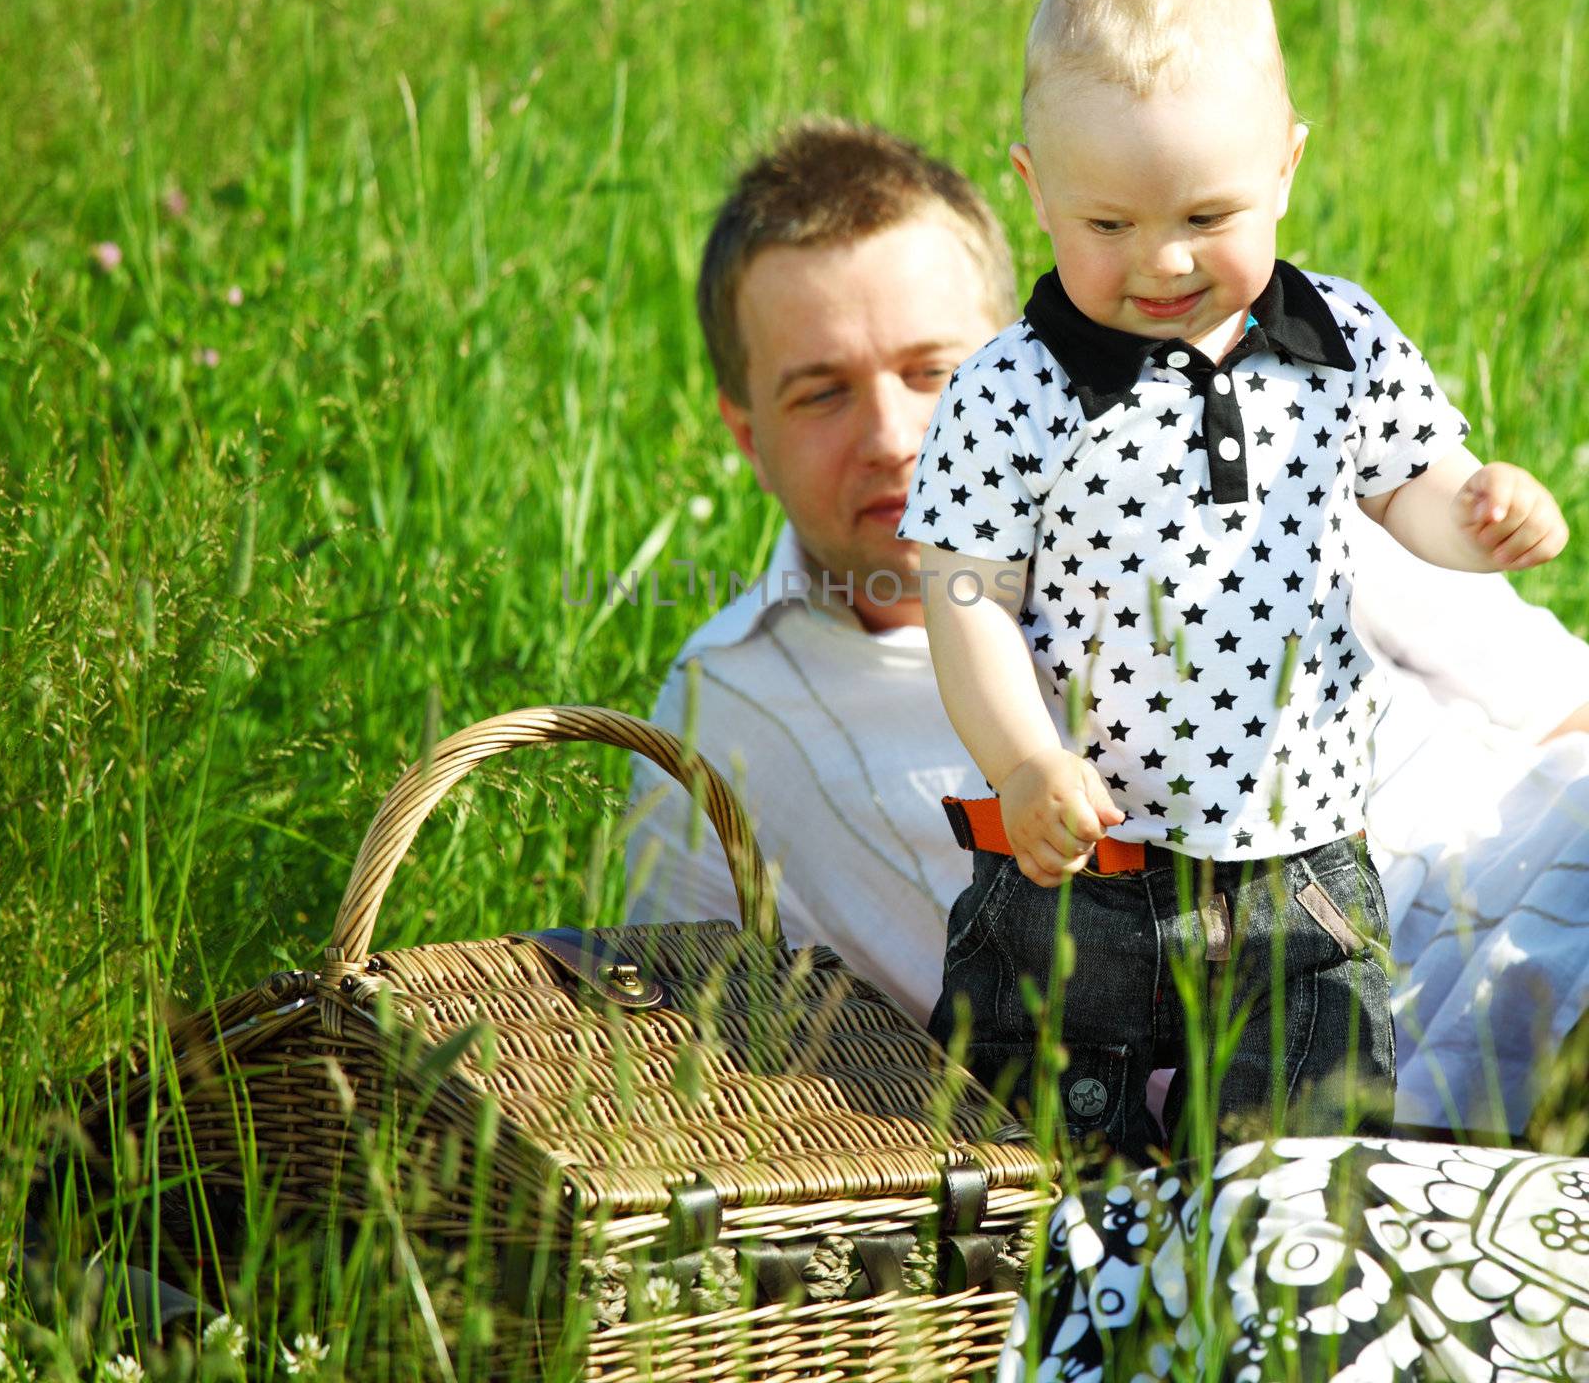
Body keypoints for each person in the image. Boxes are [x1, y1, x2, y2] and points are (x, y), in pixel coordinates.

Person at [620, 113, 1589, 1144]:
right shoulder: (727, 717)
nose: (894, 439)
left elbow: (1558, 701)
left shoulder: (1236, 436)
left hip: (1533, 905)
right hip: (1317, 1116)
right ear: (745, 434)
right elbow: (672, 1064)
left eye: (931, 373)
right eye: (821, 393)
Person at [894, 0, 1567, 1156]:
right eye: (1106, 222)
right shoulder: (1011, 389)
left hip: (1297, 856)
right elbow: (967, 594)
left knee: (1297, 1160)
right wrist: (1020, 759)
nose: (1160, 260)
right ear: (1033, 187)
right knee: (1035, 1147)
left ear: (1287, 167)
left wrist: (1484, 515)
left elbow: (1416, 487)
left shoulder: (1335, 338)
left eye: (1209, 213)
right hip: (1083, 852)